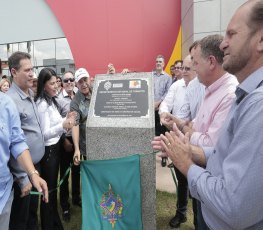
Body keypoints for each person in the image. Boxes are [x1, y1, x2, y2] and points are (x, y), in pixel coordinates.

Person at [154, 1, 263, 229]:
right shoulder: (243, 93)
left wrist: (186, 163)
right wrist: (187, 150)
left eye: (231, 34)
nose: (223, 44)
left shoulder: (257, 103)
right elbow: (223, 150)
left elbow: (234, 207)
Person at [7, 51, 46, 230]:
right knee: (20, 220)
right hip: (22, 175)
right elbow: (12, 144)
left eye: (33, 69)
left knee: (32, 214)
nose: (32, 73)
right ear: (14, 72)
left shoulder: (29, 92)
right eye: (27, 70)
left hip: (34, 168)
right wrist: (23, 176)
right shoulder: (10, 102)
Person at [159, 55, 197, 228]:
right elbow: (165, 104)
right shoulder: (176, 86)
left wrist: (187, 126)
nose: (184, 71)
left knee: (197, 182)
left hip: (197, 141)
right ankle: (181, 214)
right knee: (182, 180)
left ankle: (199, 219)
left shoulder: (202, 86)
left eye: (188, 68)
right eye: (184, 69)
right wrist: (164, 115)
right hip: (177, 137)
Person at [35, 67, 76, 230]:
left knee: (51, 194)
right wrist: (62, 126)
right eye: (52, 83)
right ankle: (48, 225)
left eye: (56, 82)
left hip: (54, 150)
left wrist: (67, 118)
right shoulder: (42, 104)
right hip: (49, 152)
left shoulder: (51, 100)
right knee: (49, 194)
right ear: (43, 85)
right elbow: (44, 134)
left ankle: (54, 224)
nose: (56, 86)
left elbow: (58, 121)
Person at [58, 71, 81, 222]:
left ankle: (76, 198)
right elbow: (54, 122)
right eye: (66, 80)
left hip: (77, 140)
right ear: (62, 83)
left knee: (76, 171)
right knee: (65, 175)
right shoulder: (58, 99)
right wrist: (63, 141)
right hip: (64, 141)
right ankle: (65, 205)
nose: (69, 82)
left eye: (72, 79)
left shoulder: (78, 96)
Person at [153, 54, 172, 167]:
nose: (158, 63)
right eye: (157, 61)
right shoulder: (151, 76)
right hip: (150, 110)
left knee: (162, 134)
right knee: (151, 133)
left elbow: (167, 93)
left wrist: (158, 103)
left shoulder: (168, 77)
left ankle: (164, 156)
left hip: (160, 110)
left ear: (164, 64)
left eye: (160, 61)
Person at [71, 68, 92, 165]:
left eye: (85, 80)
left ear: (90, 79)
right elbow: (75, 124)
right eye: (80, 82)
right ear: (76, 84)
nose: (84, 84)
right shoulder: (75, 102)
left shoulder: (98, 89)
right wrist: (76, 148)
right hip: (87, 144)